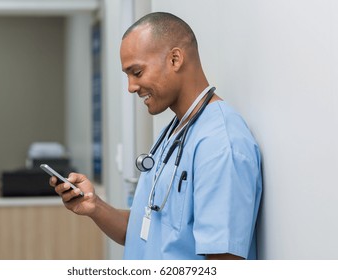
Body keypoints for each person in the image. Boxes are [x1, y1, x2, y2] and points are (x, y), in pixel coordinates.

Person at [50, 12, 262, 260]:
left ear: (174, 59)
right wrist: (94, 206)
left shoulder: (220, 143)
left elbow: (224, 263)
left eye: (137, 72)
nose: (130, 87)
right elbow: (146, 232)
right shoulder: (172, 134)